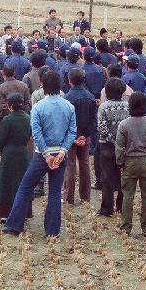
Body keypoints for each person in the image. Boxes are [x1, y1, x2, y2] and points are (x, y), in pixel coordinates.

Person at [2, 71, 76, 237]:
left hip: (42, 155)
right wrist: (62, 152)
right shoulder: (68, 106)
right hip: (60, 155)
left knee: (26, 186)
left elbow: (36, 132)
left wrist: (46, 154)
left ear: (43, 84)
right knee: (55, 192)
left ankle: (14, 224)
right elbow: (72, 132)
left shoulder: (38, 107)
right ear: (60, 85)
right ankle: (52, 230)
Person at [115, 92, 146, 236]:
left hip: (130, 162)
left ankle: (126, 227)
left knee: (128, 195)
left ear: (130, 105)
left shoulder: (124, 124)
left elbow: (119, 147)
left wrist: (120, 162)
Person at [0, 93, 32, 220]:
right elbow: (30, 135)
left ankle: (5, 214)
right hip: (23, 152)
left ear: (10, 105)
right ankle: (24, 212)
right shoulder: (28, 118)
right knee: (22, 182)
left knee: (7, 183)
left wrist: (0, 149)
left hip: (9, 153)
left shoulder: (7, 120)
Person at [63, 68, 96, 204]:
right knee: (84, 165)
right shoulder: (90, 97)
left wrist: (74, 136)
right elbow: (94, 120)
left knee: (70, 165)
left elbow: (65, 121)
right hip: (85, 135)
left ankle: (68, 197)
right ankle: (85, 197)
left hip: (71, 135)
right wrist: (85, 135)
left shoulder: (67, 98)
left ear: (70, 81)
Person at [97, 78, 129, 217]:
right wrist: (120, 142)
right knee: (123, 176)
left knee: (107, 177)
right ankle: (121, 206)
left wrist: (112, 140)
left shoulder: (103, 107)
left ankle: (107, 209)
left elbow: (102, 127)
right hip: (125, 147)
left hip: (107, 147)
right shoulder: (128, 106)